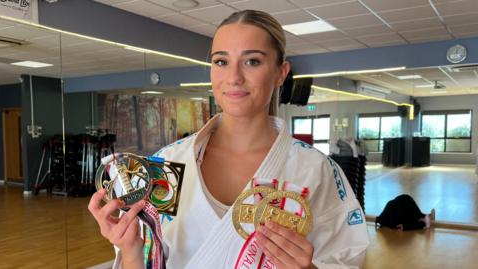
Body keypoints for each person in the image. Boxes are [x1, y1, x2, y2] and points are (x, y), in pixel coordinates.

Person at [88, 10, 369, 269]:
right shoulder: (168, 164)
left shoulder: (314, 169)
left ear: (280, 73)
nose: (233, 77)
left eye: (252, 61)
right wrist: (132, 251)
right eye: (221, 61)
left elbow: (347, 258)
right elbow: (150, 260)